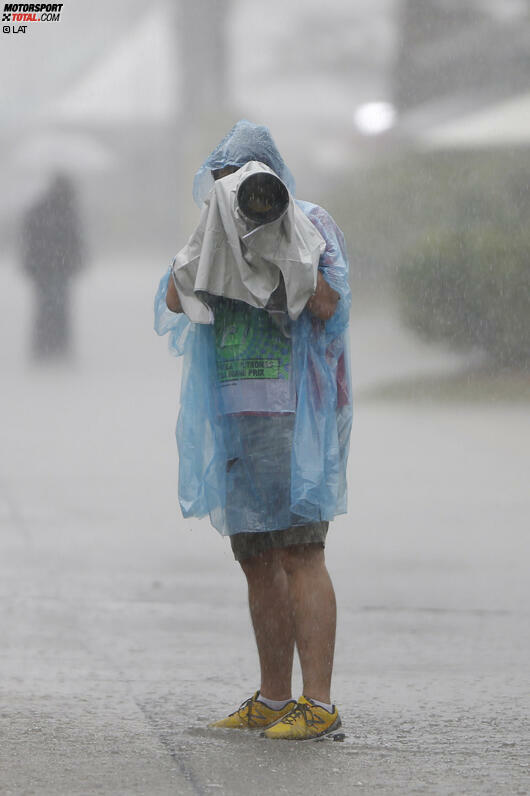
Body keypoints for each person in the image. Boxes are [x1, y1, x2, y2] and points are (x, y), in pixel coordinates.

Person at [155, 121, 352, 740]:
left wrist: (278, 242)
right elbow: (171, 301)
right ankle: (273, 699)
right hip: (236, 417)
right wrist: (212, 244)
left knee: (301, 551)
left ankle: (317, 704)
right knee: (257, 558)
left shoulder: (308, 220)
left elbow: (327, 305)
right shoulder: (214, 226)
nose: (238, 193)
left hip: (294, 415)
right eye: (224, 184)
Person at [21, 173, 85, 361]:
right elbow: (75, 241)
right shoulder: (67, 211)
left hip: (42, 268)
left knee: (44, 306)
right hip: (59, 267)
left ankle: (44, 345)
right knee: (59, 306)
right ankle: (58, 345)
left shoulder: (39, 209)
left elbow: (29, 238)